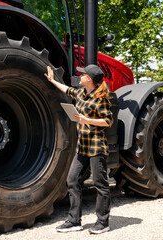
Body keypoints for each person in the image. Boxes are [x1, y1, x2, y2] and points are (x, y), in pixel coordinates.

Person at [44, 64, 113, 234]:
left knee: (100, 183)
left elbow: (108, 121)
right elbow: (67, 89)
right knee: (72, 180)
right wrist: (52, 80)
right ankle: (74, 221)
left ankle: (103, 222)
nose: (79, 76)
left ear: (89, 79)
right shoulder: (81, 93)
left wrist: (86, 120)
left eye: (82, 74)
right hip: (82, 147)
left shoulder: (100, 98)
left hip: (96, 147)